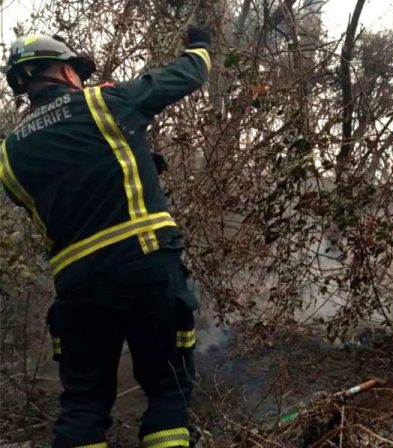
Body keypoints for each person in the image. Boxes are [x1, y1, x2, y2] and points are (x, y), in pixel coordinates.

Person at [0, 26, 212, 447]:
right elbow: (187, 75)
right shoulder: (103, 102)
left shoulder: (8, 156)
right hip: (146, 265)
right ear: (64, 70)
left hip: (77, 290)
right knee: (167, 388)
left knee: (83, 404)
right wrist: (201, 46)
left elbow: (66, 192)